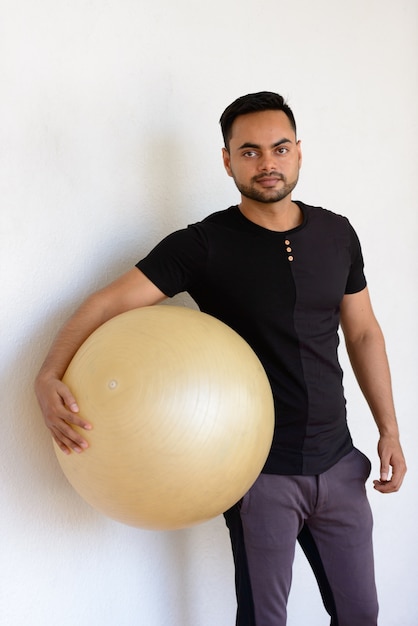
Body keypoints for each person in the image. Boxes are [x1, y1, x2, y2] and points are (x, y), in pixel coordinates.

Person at [35, 91, 406, 625]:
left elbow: (365, 333)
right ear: (228, 160)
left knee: (361, 616)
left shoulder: (337, 234)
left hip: (338, 463)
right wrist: (48, 375)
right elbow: (107, 303)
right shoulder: (203, 245)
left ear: (299, 152)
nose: (268, 163)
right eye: (250, 151)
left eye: (279, 148)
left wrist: (388, 430)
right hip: (256, 473)